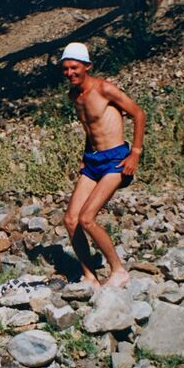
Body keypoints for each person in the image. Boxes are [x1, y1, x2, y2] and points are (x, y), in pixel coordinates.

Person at [60, 42, 146, 288]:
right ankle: (90, 276)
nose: (70, 73)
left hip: (116, 159)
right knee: (70, 219)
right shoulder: (73, 96)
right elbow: (91, 129)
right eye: (65, 69)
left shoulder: (105, 89)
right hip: (93, 161)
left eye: (74, 68)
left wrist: (135, 154)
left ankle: (118, 270)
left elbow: (138, 114)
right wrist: (85, 155)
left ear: (87, 66)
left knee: (87, 218)